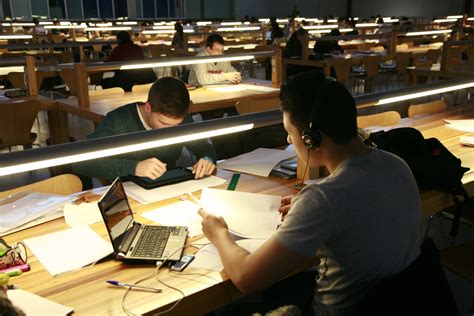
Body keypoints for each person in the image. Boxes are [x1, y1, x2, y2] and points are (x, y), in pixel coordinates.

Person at [198, 71, 421, 315]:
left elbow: (245, 278)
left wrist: (218, 233)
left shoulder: (323, 199)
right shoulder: (396, 164)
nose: (288, 139)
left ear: (311, 138)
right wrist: (308, 209)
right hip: (398, 302)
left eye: (290, 132)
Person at [73, 77, 217, 181]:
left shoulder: (180, 117)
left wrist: (207, 158)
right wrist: (134, 167)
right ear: (148, 107)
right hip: (130, 189)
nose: (171, 131)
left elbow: (204, 147)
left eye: (176, 125)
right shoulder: (118, 121)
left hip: (168, 185)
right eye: (163, 123)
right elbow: (82, 163)